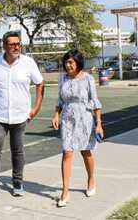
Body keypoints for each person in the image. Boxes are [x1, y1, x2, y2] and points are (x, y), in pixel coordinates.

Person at [0, 31, 45, 201]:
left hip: (20, 115)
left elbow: (40, 83)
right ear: (4, 45)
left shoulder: (28, 63)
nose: (16, 47)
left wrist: (36, 107)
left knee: (18, 151)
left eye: (18, 44)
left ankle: (17, 183)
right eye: (12, 44)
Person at [51, 49, 103, 207]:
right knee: (67, 152)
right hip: (67, 119)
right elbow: (60, 100)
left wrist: (99, 123)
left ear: (78, 63)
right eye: (66, 62)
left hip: (85, 119)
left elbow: (95, 101)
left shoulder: (88, 78)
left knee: (86, 151)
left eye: (71, 62)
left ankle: (91, 179)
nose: (68, 65)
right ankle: (65, 192)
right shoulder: (63, 79)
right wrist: (56, 115)